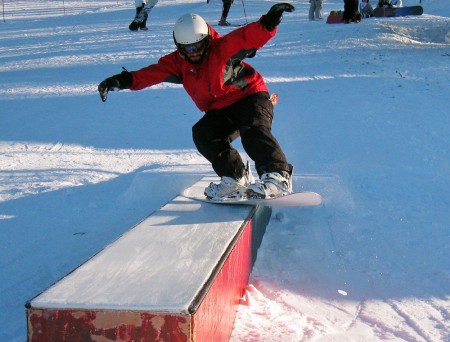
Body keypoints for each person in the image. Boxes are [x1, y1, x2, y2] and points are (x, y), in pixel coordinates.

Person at [98, 3, 295, 200]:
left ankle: (278, 176)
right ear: (179, 47)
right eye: (187, 48)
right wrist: (120, 81)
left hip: (250, 96)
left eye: (198, 46)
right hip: (221, 108)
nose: (193, 52)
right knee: (204, 134)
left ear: (207, 40)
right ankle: (235, 177)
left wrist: (269, 22)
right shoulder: (177, 63)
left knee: (252, 129)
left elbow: (247, 36)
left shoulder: (222, 48)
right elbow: (149, 74)